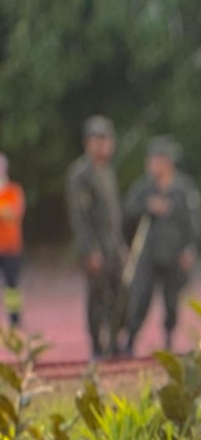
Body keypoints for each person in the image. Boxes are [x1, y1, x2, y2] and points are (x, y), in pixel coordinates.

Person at [121, 136, 201, 355]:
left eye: (160, 160)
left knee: (171, 301)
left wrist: (190, 248)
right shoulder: (144, 188)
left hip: (174, 254)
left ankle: (169, 341)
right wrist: (147, 206)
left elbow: (194, 221)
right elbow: (127, 211)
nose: (155, 166)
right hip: (149, 253)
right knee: (140, 297)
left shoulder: (184, 188)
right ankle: (130, 338)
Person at [66, 116, 126, 360]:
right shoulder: (80, 174)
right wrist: (90, 249)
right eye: (96, 140)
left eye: (105, 140)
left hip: (113, 246)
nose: (102, 145)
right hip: (94, 247)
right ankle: (96, 344)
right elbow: (79, 217)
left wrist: (121, 244)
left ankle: (113, 339)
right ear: (87, 143)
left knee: (119, 293)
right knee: (96, 295)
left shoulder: (108, 172)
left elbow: (114, 214)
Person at [0, 154, 24, 330]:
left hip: (10, 247)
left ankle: (15, 321)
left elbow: (12, 215)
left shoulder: (14, 190)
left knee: (12, 285)